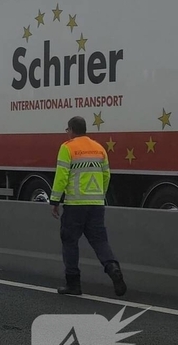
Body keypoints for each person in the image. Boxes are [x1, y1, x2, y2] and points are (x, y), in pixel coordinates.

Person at [50, 115, 127, 297]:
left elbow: (61, 176)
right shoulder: (99, 149)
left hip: (75, 205)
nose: (66, 133)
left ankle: (73, 284)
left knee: (69, 242)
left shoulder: (67, 148)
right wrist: (99, 195)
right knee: (100, 241)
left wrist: (54, 201)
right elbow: (106, 176)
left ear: (71, 130)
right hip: (96, 205)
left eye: (67, 130)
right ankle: (113, 267)